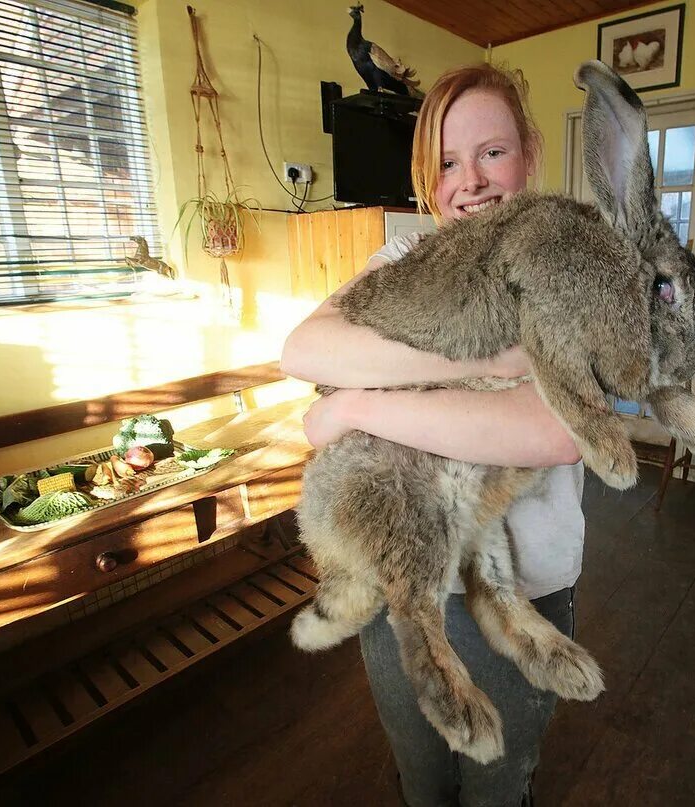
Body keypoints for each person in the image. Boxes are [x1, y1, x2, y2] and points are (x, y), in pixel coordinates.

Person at [280, 62, 585, 807]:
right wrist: (487, 350)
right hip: (406, 578)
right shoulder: (401, 261)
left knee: (498, 782)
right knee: (420, 775)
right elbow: (303, 348)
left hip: (526, 590)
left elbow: (553, 431)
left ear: (529, 153)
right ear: (427, 176)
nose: (470, 181)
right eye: (447, 162)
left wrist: (355, 403)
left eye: (491, 152)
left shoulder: (566, 263)